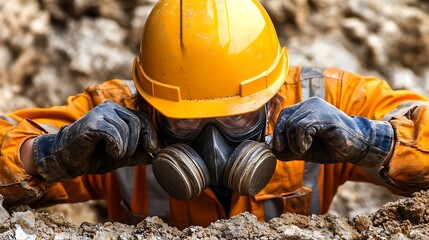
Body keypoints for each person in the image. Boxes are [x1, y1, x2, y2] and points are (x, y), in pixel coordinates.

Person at [1, 0, 429, 228]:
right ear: (148, 104)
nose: (213, 145)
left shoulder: (327, 104)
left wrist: (373, 142)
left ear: (274, 96)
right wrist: (49, 154)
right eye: (184, 121)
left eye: (239, 117)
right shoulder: (112, 124)